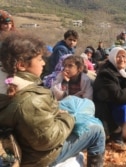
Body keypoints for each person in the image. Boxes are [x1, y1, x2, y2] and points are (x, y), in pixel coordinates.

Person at [0, 33, 105, 167]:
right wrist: (68, 118)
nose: (44, 63)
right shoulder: (30, 101)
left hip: (24, 144)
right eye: (39, 59)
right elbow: (48, 140)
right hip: (38, 157)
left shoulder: (9, 84)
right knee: (96, 130)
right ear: (21, 65)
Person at [93, 47, 126, 151]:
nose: (122, 60)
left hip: (119, 97)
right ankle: (114, 137)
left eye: (124, 56)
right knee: (121, 110)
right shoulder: (106, 73)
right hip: (105, 104)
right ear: (112, 57)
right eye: (118, 56)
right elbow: (118, 96)